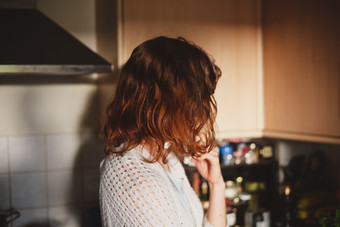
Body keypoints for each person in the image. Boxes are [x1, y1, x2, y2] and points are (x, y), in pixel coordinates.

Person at [100, 36, 226, 227]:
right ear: (164, 106)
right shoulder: (140, 184)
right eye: (193, 103)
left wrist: (216, 184)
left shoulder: (165, 157)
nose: (200, 113)